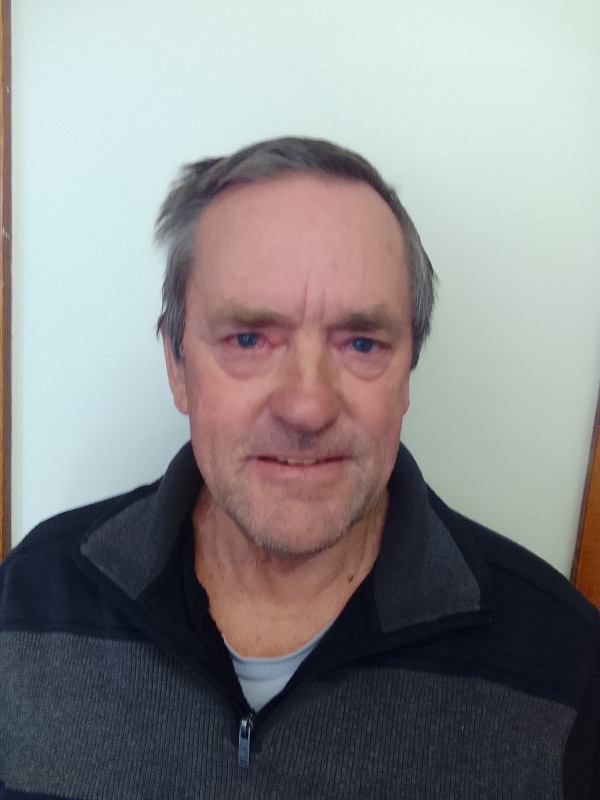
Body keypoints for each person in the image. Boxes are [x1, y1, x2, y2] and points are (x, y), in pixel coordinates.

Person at [1, 137, 598, 799]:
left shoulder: (566, 667)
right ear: (177, 365)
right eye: (248, 339)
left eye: (362, 342)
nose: (307, 407)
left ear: (406, 374)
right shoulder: (26, 605)